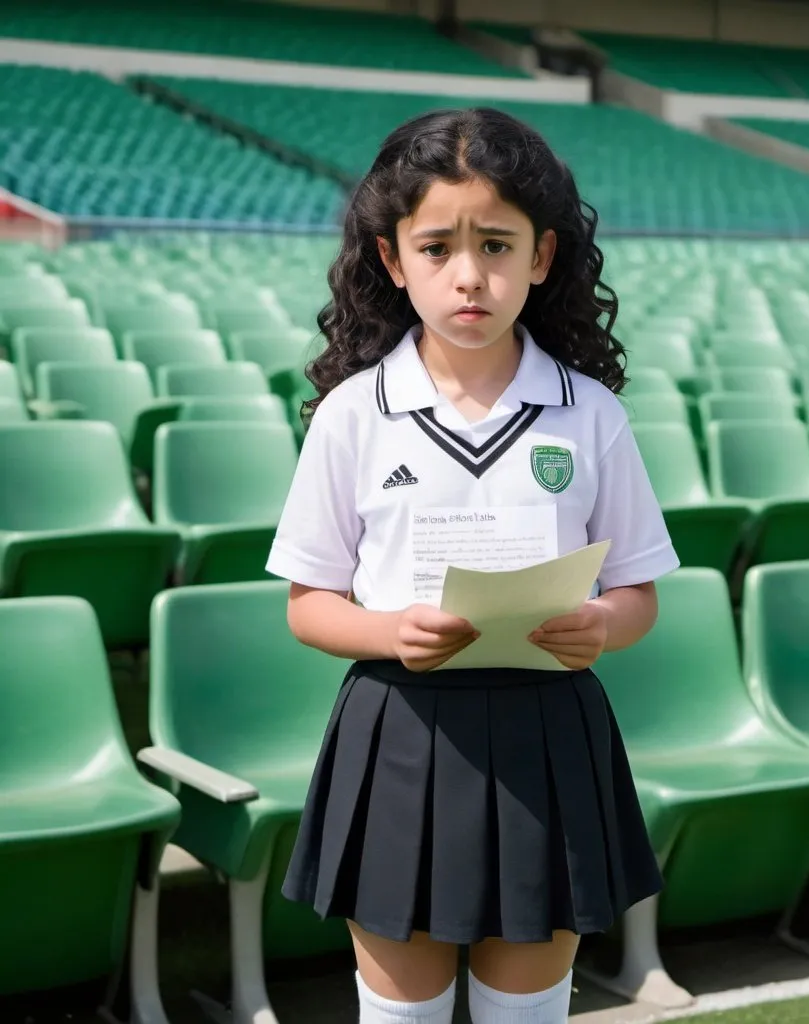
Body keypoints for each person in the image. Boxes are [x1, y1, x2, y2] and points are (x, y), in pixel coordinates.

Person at [266, 106, 680, 1024]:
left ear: (542, 257)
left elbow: (640, 592)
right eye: (437, 246)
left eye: (497, 245)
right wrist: (388, 629)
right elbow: (308, 604)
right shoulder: (352, 414)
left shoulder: (592, 416)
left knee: (522, 1015)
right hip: (400, 729)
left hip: (550, 732)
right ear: (391, 259)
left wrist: (603, 625)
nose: (468, 276)